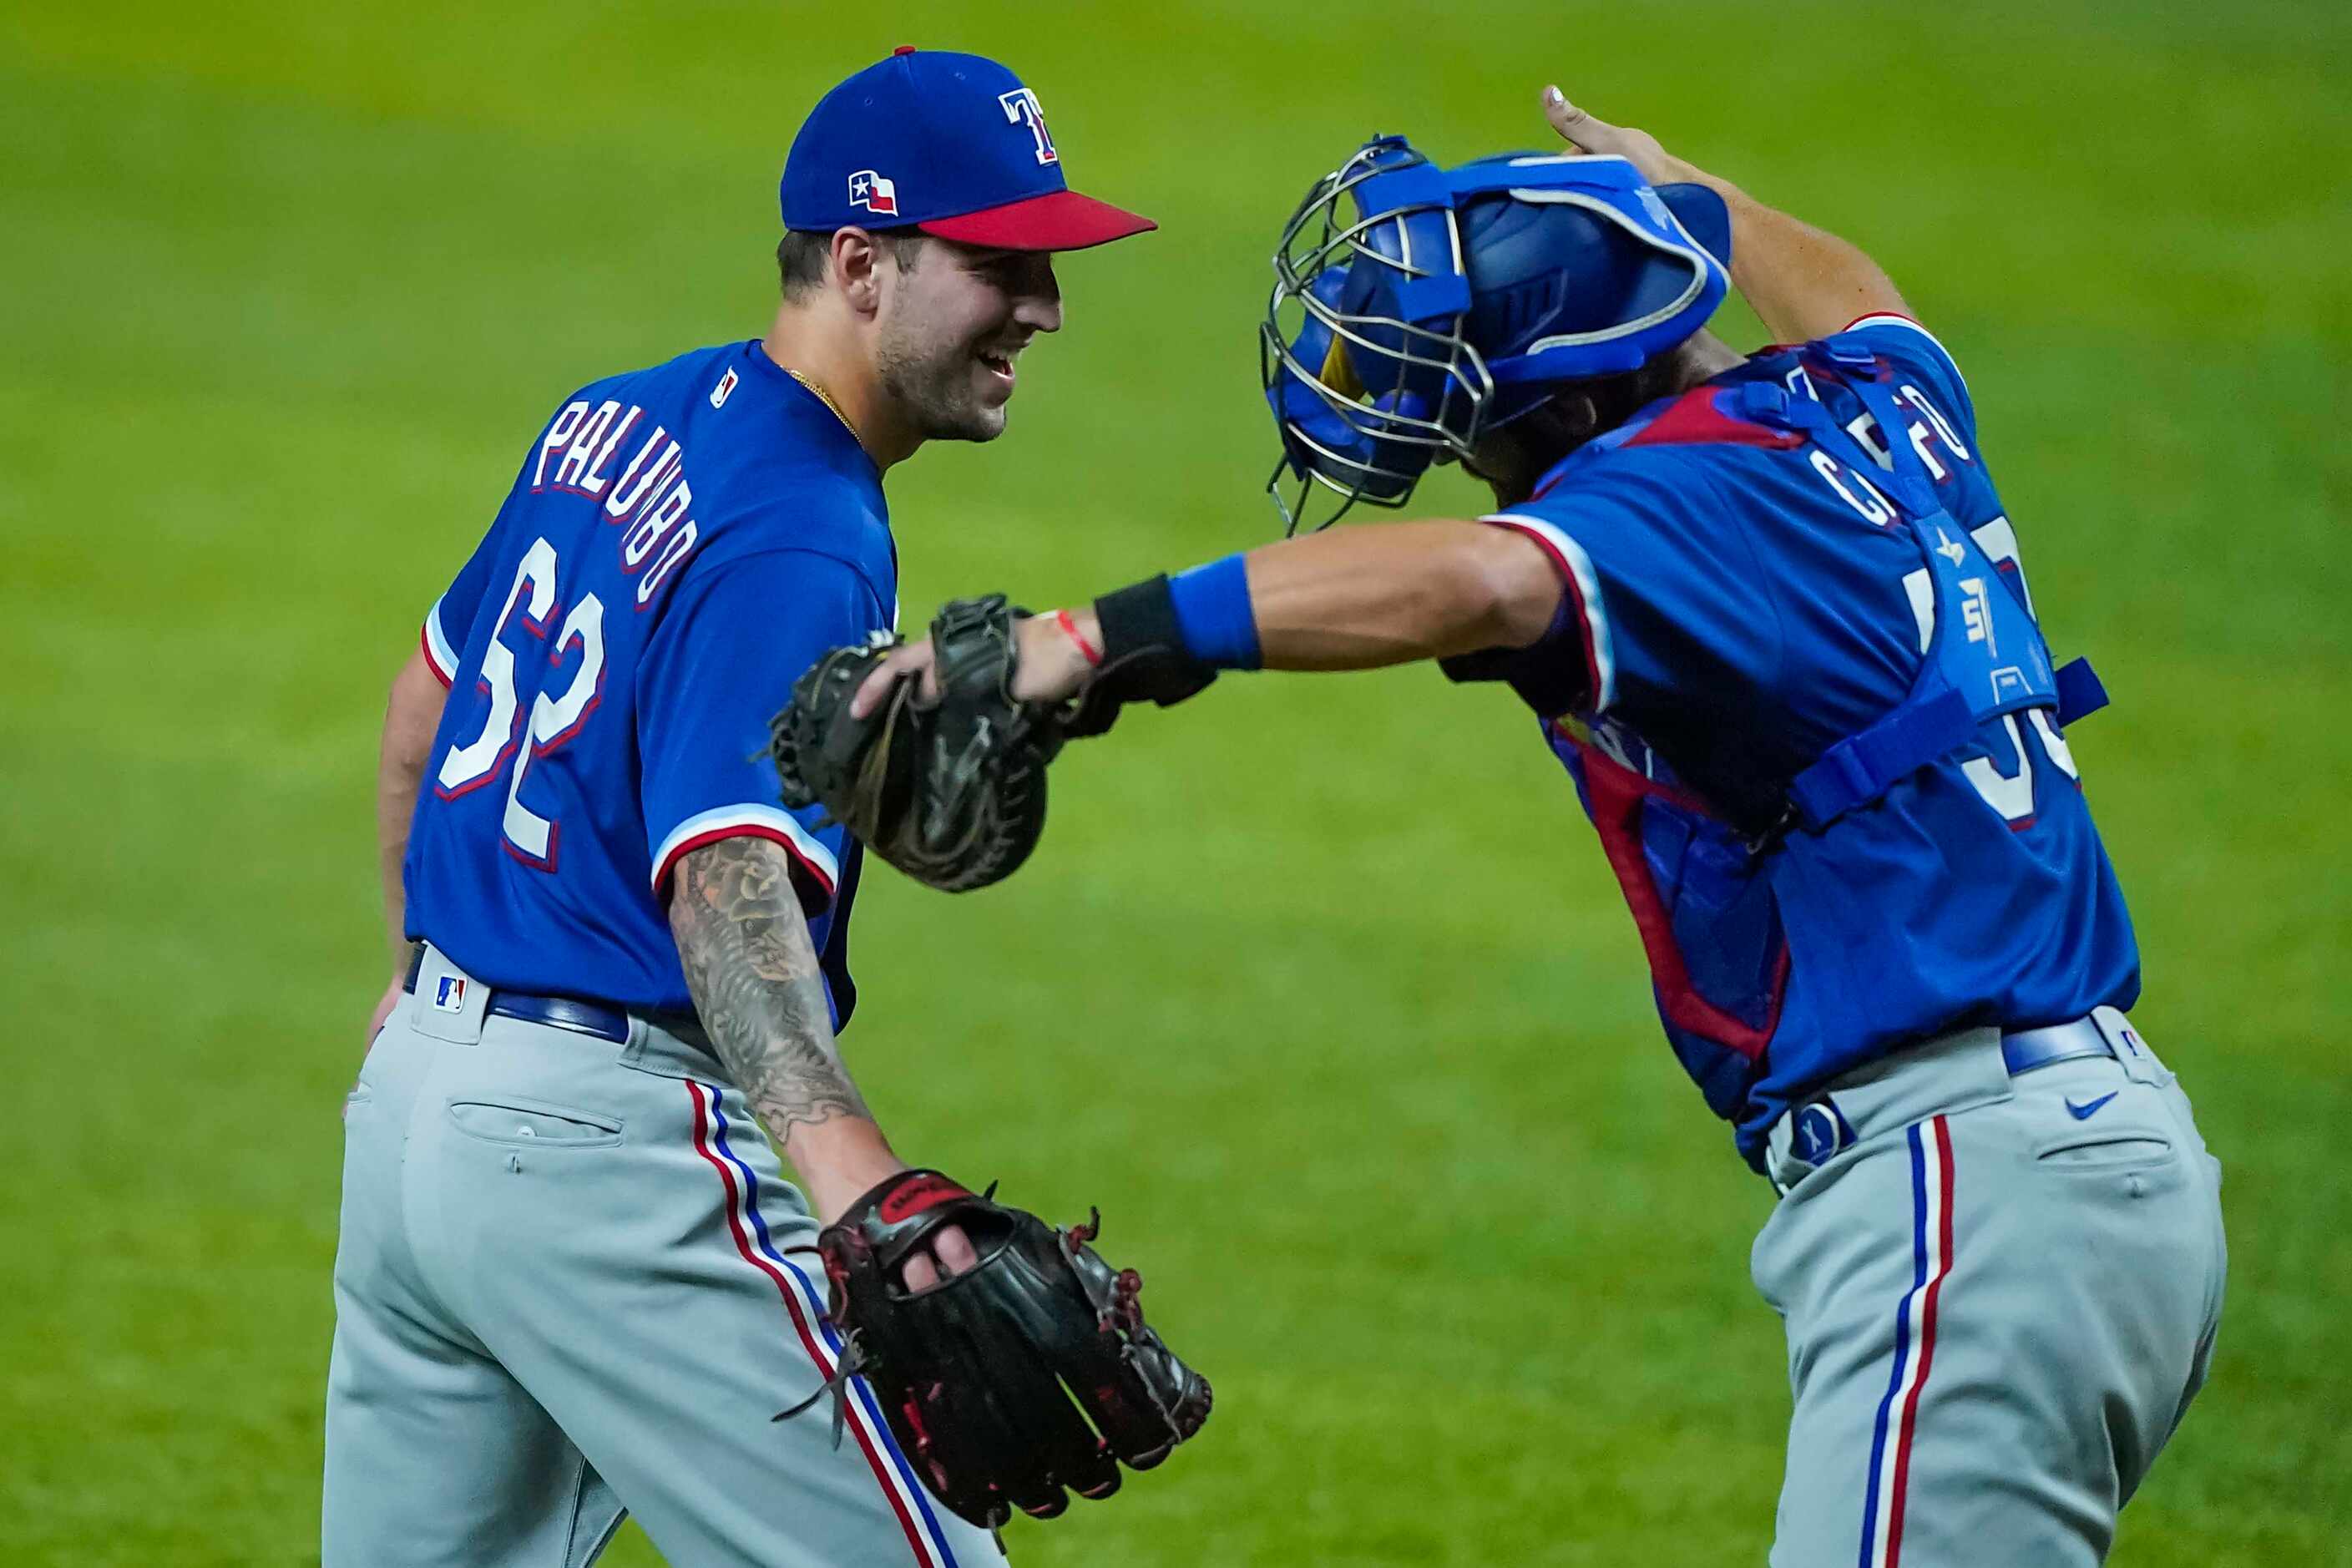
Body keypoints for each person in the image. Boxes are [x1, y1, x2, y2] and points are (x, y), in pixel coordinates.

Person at [858, 88, 2227, 1565]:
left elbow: (1485, 583)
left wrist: (1097, 635)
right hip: (2102, 1171)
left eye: (1483, 442)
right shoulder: (1871, 408)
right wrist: (1676, 181)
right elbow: (1863, 298)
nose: (1484, 479)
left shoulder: (1675, 500)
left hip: (1972, 1202)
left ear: (1574, 410)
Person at [329, 48, 1153, 1566]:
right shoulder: (802, 525)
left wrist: (421, 992)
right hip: (588, 1158)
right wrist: (862, 1186)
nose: (1042, 308)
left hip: (411, 1127)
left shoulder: (614, 415)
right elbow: (723, 881)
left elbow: (421, 708)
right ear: (860, 262)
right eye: (999, 263)